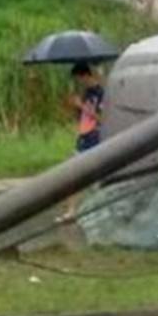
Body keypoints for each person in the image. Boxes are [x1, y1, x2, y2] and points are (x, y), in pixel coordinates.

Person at [62, 61, 104, 219]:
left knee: (83, 174)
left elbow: (101, 117)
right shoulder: (86, 93)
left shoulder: (100, 93)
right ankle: (71, 209)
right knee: (72, 172)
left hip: (94, 137)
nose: (79, 83)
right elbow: (82, 117)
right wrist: (73, 105)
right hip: (83, 136)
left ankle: (74, 209)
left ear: (85, 76)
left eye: (79, 79)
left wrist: (81, 106)